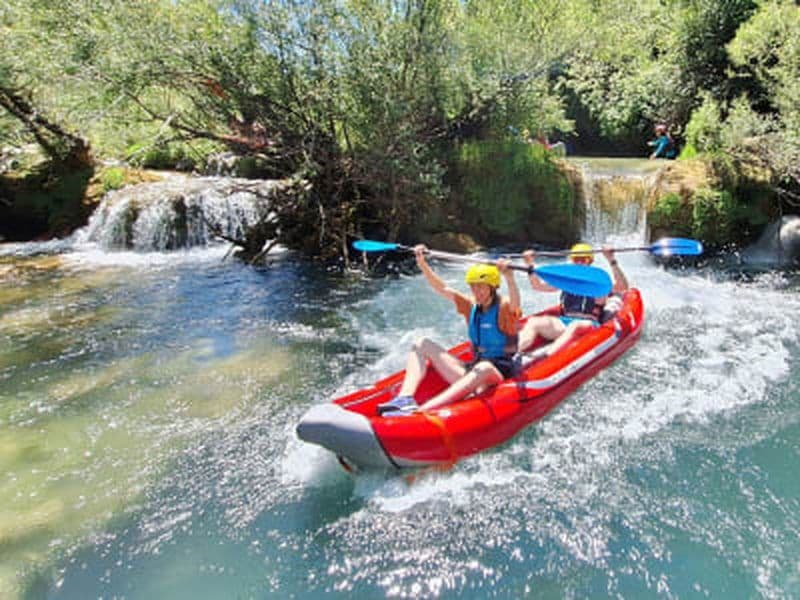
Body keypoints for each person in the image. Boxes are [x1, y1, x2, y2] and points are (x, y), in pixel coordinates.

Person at [377, 245, 522, 416]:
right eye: (473, 287)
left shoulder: (504, 307)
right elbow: (442, 288)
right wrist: (422, 263)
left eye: (481, 287)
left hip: (497, 375)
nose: (477, 292)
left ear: (492, 287)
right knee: (421, 343)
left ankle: (422, 411)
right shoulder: (470, 305)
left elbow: (515, 305)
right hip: (472, 372)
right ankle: (404, 399)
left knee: (484, 367)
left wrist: (510, 278)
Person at [517, 243, 629, 360]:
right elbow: (538, 286)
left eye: (583, 259)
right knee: (534, 322)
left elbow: (623, 287)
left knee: (577, 325)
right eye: (576, 259)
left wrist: (611, 260)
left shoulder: (598, 283)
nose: (579, 262)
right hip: (565, 322)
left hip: (589, 326)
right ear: (572, 261)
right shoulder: (567, 281)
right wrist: (529, 265)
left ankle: (546, 357)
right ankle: (514, 352)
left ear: (589, 261)